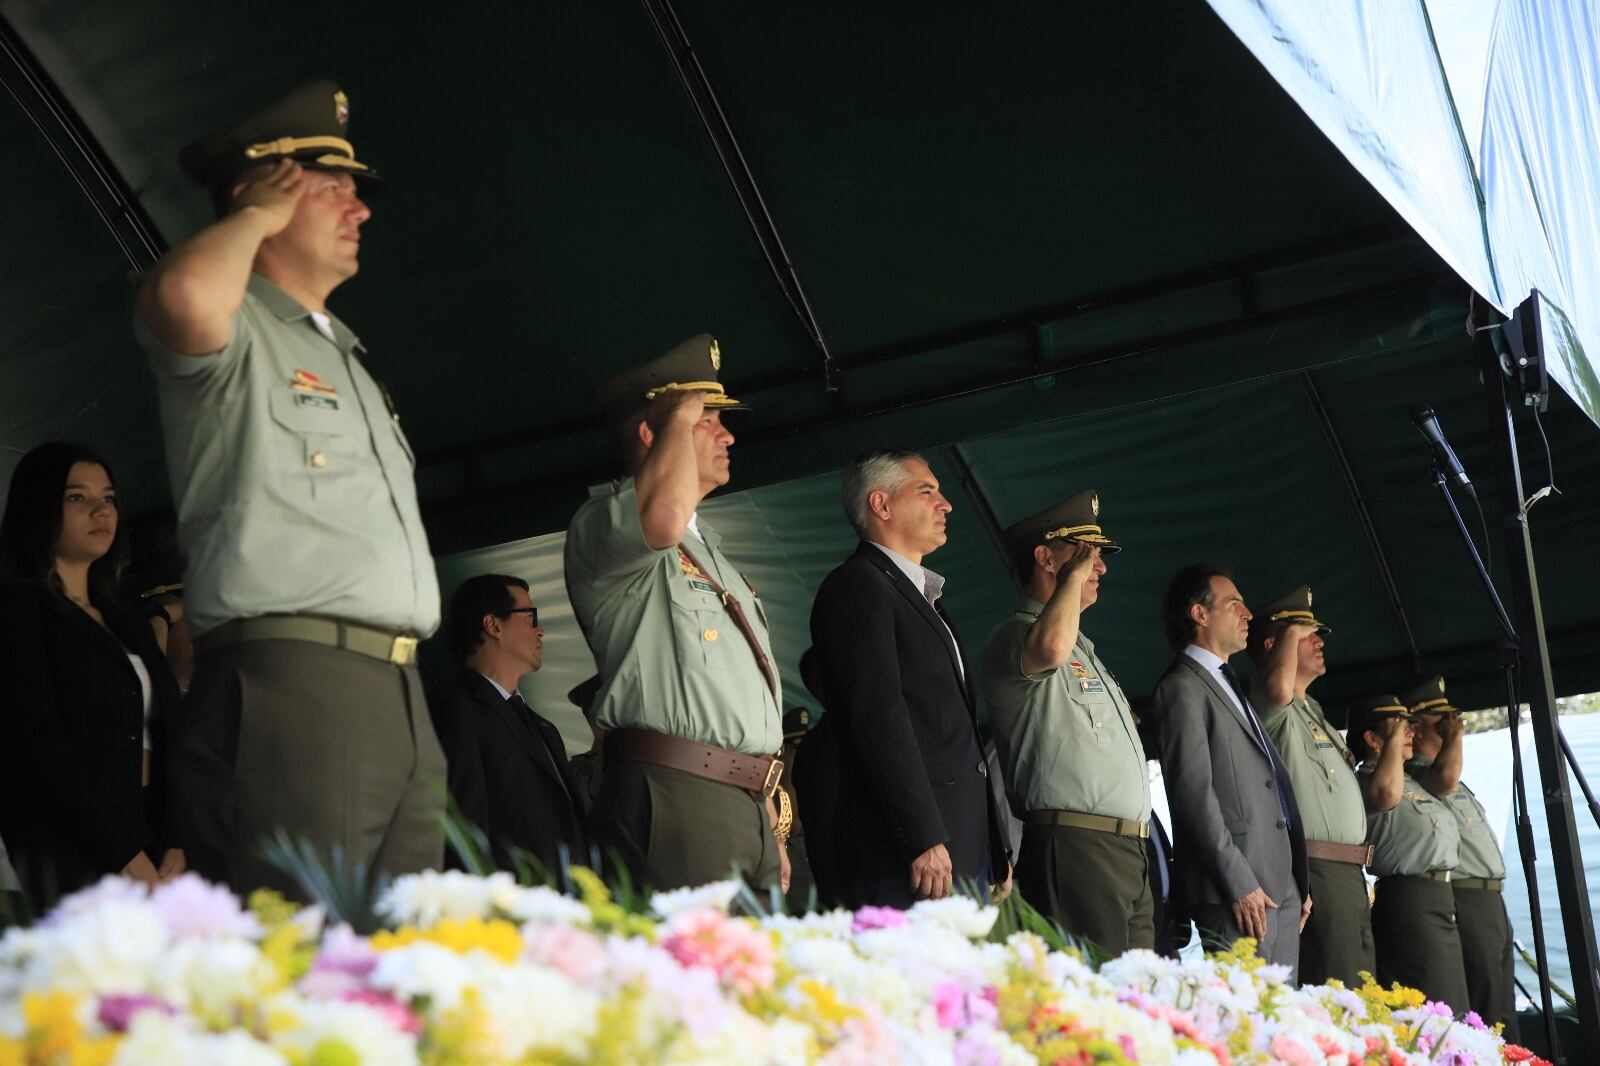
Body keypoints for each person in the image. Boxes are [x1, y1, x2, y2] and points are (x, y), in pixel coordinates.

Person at [134, 81, 444, 896]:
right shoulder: (235, 331)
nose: (360, 209)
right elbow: (184, 296)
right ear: (262, 192)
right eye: (332, 186)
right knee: (298, 959)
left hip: (400, 691)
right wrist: (254, 217)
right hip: (296, 690)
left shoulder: (349, 358)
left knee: (395, 974)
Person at [564, 335, 789, 893]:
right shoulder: (605, 526)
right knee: (690, 976)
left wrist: (769, 823)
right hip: (676, 795)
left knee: (752, 978)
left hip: (747, 805)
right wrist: (678, 407)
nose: (728, 434)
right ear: (651, 432)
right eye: (706, 419)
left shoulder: (708, 548)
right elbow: (660, 515)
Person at [806, 448, 1010, 908]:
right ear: (881, 505)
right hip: (912, 851)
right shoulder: (859, 585)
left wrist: (995, 847)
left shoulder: (922, 597)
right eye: (927, 491)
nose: (947, 504)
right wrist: (920, 835)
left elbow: (957, 736)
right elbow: (878, 717)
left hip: (958, 842)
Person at [0, 443, 184, 899]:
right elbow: (37, 748)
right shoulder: (17, 611)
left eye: (109, 498)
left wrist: (180, 838)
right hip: (75, 850)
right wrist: (125, 853)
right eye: (77, 497)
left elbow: (176, 732)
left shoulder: (124, 620)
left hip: (157, 836)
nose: (100, 510)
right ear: (39, 509)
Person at [983, 490, 1152, 953]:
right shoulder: (1017, 636)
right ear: (1045, 557)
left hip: (1126, 852)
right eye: (1085, 553)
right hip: (1078, 846)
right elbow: (1050, 648)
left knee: (1131, 998)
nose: (1099, 567)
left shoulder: (1082, 648)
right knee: (1091, 995)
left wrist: (1074, 569)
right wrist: (1073, 576)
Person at [1150, 564, 1309, 972]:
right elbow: (1193, 795)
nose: (1248, 614)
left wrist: (1297, 880)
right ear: (1199, 614)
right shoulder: (1182, 686)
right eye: (1234, 604)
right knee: (1250, 1023)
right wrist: (1238, 882)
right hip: (1237, 888)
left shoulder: (1226, 678)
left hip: (1278, 885)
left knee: (1282, 1023)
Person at [1246, 585, 1373, 986]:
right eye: (1306, 634)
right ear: (1274, 643)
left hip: (1347, 869)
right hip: (1315, 864)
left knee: (1361, 986)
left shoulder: (1311, 709)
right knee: (1337, 986)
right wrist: (1286, 633)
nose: (1319, 641)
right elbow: (1277, 689)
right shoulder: (1268, 697)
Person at [429, 574, 588, 876]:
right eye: (529, 617)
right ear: (493, 626)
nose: (539, 630)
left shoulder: (544, 727)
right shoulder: (456, 712)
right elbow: (466, 831)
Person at [1406, 677, 1518, 1037]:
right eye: (1443, 721)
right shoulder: (1419, 774)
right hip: (1466, 895)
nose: (1453, 727)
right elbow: (1446, 779)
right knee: (1486, 1000)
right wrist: (1454, 738)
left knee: (1501, 999)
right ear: (1420, 726)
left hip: (1489, 897)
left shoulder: (1445, 773)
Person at [1350, 693, 1470, 1011]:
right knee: (1433, 1004)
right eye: (1398, 726)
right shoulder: (1370, 780)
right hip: (1409, 897)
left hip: (1437, 896)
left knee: (1450, 1001)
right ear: (1373, 738)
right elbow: (1386, 793)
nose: (1410, 733)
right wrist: (1391, 741)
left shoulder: (1411, 782)